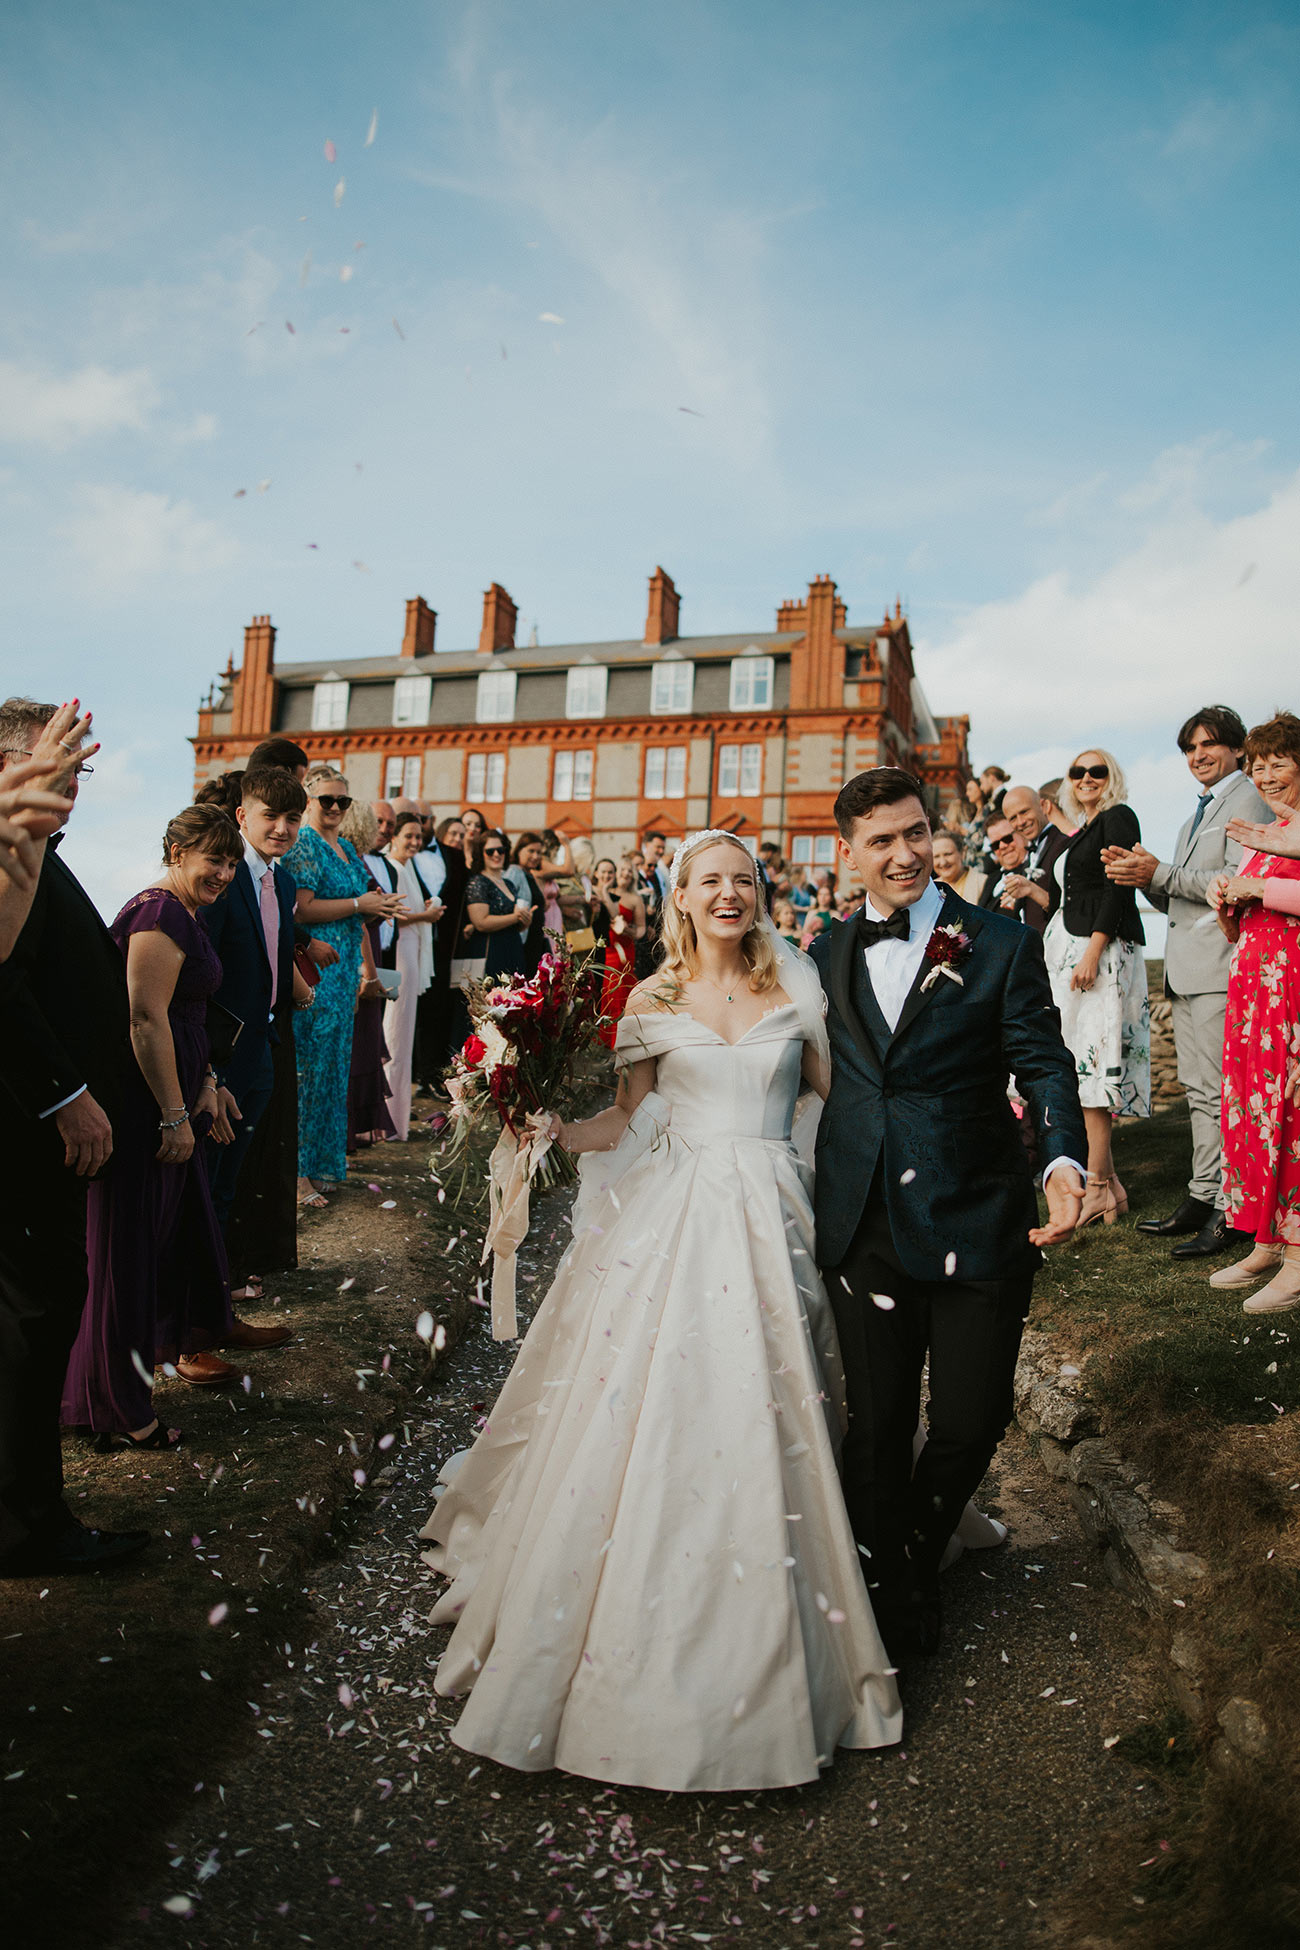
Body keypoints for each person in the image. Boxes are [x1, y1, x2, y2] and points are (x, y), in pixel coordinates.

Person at [421, 829, 904, 1789]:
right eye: (708, 882)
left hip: (773, 1210)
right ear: (679, 897)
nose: (728, 893)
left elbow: (843, 1100)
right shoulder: (651, 998)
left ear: (759, 894)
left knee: (786, 1393)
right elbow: (630, 1118)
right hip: (674, 1214)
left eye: (742, 880)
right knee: (660, 1397)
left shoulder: (800, 989)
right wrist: (548, 1123)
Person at [809, 768, 1085, 1659]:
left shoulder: (999, 942)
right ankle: (893, 1594)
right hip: (863, 1221)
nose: (903, 853)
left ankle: (914, 1556)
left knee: (972, 1420)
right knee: (877, 1427)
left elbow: (1042, 1061)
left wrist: (1063, 1160)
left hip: (977, 1208)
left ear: (935, 834)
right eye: (881, 840)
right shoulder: (823, 957)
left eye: (915, 833)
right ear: (848, 853)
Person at [0, 700, 152, 1573]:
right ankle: (27, 1526)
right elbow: (5, 991)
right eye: (61, 765)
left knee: (41, 1313)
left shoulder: (44, 861)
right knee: (33, 1317)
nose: (74, 785)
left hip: (45, 1127)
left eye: (81, 770)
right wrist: (65, 1095)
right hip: (23, 1130)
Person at [62, 805, 247, 1443]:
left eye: (231, 861)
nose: (222, 871)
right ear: (175, 850)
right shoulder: (158, 912)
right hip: (142, 1108)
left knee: (151, 1253)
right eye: (212, 858)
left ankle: (117, 1394)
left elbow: (187, 1015)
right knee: (125, 1257)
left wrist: (206, 1084)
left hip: (173, 1097)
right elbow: (145, 1020)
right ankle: (116, 1413)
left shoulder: (187, 913)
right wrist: (172, 1113)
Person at [1102, 707, 1272, 1260]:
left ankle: (1234, 1206)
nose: (1198, 756)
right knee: (1201, 1092)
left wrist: (1160, 873)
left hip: (1223, 969)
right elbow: (1180, 897)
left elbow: (1233, 883)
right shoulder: (1192, 817)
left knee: (1226, 1093)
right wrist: (1141, 877)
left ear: (1238, 749)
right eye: (1189, 748)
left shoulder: (1247, 799)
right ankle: (1203, 1194)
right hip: (1188, 970)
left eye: (1209, 745)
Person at [200, 767, 309, 1331]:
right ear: (242, 816)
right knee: (210, 1183)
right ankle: (202, 1319)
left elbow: (275, 956)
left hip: (263, 1045)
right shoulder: (222, 875)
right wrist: (209, 1069)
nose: (283, 827)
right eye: (271, 815)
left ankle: (221, 1299)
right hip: (219, 1053)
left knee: (237, 1181)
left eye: (293, 818)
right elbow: (202, 966)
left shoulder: (283, 884)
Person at [1207, 712, 1300, 1311]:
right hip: (1253, 997)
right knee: (1256, 1111)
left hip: (1292, 992)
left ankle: (1298, 1256)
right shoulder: (1267, 833)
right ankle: (1267, 1238)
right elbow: (1239, 923)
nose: (1264, 774)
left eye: (1277, 762)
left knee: (1292, 1117)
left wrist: (1256, 890)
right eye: (1257, 764)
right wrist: (1226, 902)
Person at [282, 769, 402, 1206]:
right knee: (309, 1074)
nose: (334, 808)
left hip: (345, 971)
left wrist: (376, 908)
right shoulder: (305, 844)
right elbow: (303, 909)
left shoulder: (348, 847)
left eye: (342, 802)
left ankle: (321, 1165)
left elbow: (359, 906)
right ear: (308, 801)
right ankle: (296, 1176)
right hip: (315, 971)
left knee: (334, 1073)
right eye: (326, 800)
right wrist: (359, 904)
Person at [1041, 750, 1150, 1225]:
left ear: (1112, 777)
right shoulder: (1084, 828)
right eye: (1078, 772)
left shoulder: (1118, 817)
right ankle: (1112, 1188)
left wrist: (1092, 950)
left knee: (1093, 1069)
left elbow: (1118, 888)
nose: (1087, 778)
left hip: (1099, 953)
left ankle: (1098, 1186)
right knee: (1081, 1067)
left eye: (1097, 770)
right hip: (1074, 950)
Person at [340, 799, 397, 1153]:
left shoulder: (354, 859)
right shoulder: (350, 859)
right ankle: (347, 1135)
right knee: (357, 1046)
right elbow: (359, 918)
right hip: (360, 955)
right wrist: (370, 973)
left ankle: (354, 1134)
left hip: (369, 950)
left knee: (362, 1044)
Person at [382, 812, 441, 1140]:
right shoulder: (392, 867)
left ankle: (396, 1118)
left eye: (419, 837)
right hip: (401, 954)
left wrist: (426, 910)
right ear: (394, 836)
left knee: (403, 1037)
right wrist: (426, 915)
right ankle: (387, 1120)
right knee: (394, 1035)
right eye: (409, 836)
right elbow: (393, 916)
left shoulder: (408, 868)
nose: (415, 842)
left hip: (412, 951)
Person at [421, 816, 469, 1087]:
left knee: (439, 1009)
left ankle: (434, 1072)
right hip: (415, 939)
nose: (458, 839)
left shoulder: (454, 858)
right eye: (454, 833)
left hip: (446, 945)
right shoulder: (416, 854)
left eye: (462, 835)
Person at [464, 831, 534, 980]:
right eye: (490, 851)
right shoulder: (478, 882)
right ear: (481, 854)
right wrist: (515, 917)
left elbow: (516, 925)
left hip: (513, 948)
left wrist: (525, 921)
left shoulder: (508, 883)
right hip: (491, 951)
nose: (496, 854)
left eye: (501, 850)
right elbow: (481, 923)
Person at [592, 855, 646, 1047]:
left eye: (629, 871)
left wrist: (630, 931)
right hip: (606, 947)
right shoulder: (608, 892)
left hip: (624, 949)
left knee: (620, 991)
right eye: (622, 870)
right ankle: (605, 1037)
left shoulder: (635, 898)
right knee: (605, 991)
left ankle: (619, 1038)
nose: (625, 874)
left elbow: (641, 929)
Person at [504, 832, 548, 975]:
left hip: (534, 941)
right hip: (523, 941)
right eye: (531, 851)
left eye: (539, 852)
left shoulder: (529, 874)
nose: (536, 856)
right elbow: (506, 901)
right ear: (519, 850)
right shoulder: (514, 871)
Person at [930, 829, 987, 906]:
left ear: (962, 853)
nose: (943, 862)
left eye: (948, 854)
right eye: (936, 857)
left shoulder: (983, 883)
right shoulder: (930, 890)